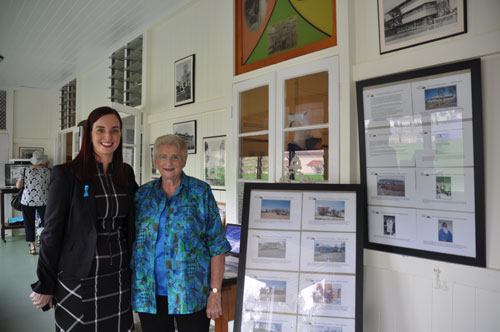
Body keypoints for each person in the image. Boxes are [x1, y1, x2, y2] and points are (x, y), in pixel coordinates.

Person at [29, 106, 138, 331]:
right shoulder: (66, 174)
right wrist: (45, 284)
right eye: (100, 130)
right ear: (89, 135)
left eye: (115, 130)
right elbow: (51, 233)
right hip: (78, 275)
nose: (108, 137)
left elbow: (135, 220)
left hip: (119, 274)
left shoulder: (125, 173)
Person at [131, 134, 231, 332]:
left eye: (175, 157)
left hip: (190, 292)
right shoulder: (143, 195)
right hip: (149, 293)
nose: (169, 162)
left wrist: (215, 293)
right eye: (163, 156)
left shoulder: (200, 192)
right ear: (155, 160)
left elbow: (217, 245)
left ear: (184, 161)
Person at [16, 150, 51, 255]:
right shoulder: (48, 171)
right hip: (44, 200)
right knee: (46, 223)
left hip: (27, 201)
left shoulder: (25, 170)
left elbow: (18, 186)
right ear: (43, 161)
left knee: (29, 223)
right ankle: (44, 243)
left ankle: (32, 247)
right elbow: (51, 186)